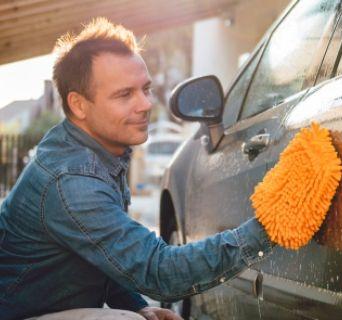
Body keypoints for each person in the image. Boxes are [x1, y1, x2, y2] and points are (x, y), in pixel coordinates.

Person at [0, 18, 273, 320]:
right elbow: (161, 271)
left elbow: (100, 256)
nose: (145, 104)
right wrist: (271, 227)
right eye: (124, 94)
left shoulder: (93, 153)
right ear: (78, 105)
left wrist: (136, 305)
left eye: (145, 89)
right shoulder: (73, 179)